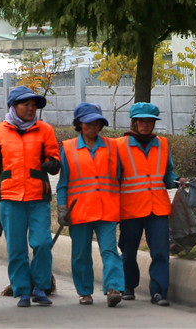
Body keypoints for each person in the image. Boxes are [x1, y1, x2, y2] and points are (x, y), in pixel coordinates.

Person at [0, 85, 61, 308]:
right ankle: (22, 290)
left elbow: (54, 158)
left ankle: (42, 287)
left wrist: (53, 164)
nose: (31, 108)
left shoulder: (45, 130)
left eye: (34, 105)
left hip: (38, 199)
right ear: (13, 106)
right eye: (26, 104)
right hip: (10, 199)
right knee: (16, 248)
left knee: (42, 243)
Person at [116, 102, 185, 307]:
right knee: (128, 251)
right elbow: (114, 177)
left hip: (158, 207)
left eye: (149, 121)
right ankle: (128, 286)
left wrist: (177, 180)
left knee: (160, 252)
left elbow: (167, 172)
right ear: (134, 122)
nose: (145, 125)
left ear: (154, 123)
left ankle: (159, 292)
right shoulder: (120, 145)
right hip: (130, 207)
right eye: (141, 121)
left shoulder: (162, 144)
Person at [57, 103, 124, 307]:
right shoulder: (68, 148)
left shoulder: (113, 146)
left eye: (97, 123)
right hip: (79, 210)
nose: (93, 127)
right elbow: (63, 184)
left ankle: (114, 288)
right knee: (80, 253)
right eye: (88, 123)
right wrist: (61, 209)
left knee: (110, 250)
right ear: (79, 124)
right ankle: (84, 292)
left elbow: (120, 177)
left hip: (107, 208)